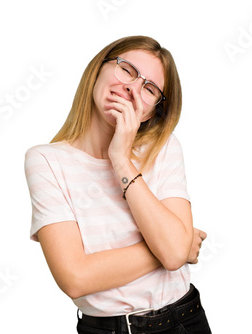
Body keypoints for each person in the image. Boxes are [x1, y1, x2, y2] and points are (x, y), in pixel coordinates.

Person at [24, 35, 212, 333]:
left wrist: (121, 158)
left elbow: (175, 253)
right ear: (98, 68)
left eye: (149, 89)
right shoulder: (46, 161)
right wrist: (172, 247)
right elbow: (75, 278)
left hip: (184, 321)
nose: (132, 88)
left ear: (152, 112)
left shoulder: (163, 148)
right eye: (127, 69)